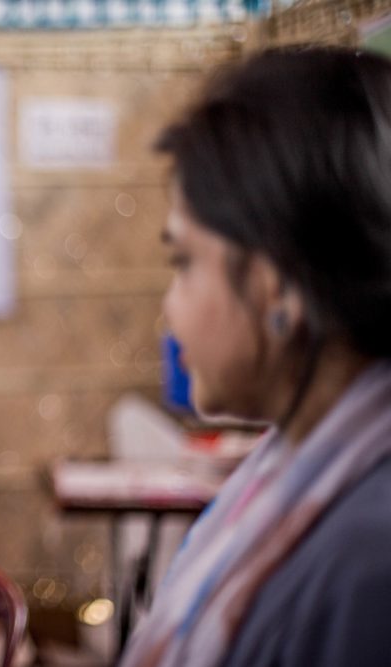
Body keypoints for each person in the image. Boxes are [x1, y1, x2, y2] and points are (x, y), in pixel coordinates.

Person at [120, 47, 391, 667]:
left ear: (279, 287)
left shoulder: (366, 568)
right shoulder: (295, 476)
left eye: (184, 263)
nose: (172, 308)